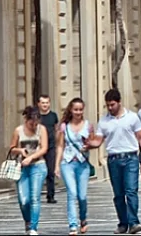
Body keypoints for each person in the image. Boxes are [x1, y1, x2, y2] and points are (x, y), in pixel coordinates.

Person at [87, 88, 141, 234]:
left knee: (131, 191)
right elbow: (98, 140)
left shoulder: (132, 117)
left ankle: (134, 222)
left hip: (130, 158)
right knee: (118, 194)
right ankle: (123, 223)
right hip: (113, 159)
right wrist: (89, 144)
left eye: (112, 105)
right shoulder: (104, 120)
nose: (110, 108)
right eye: (108, 106)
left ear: (119, 102)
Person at [55, 98, 94, 235]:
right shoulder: (64, 127)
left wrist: (88, 145)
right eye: (75, 109)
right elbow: (60, 146)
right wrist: (57, 166)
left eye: (80, 109)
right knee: (72, 193)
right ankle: (73, 224)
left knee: (82, 196)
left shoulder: (88, 125)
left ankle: (83, 219)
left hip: (83, 163)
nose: (78, 112)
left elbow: (93, 142)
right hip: (67, 162)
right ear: (71, 110)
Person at [10, 106, 48, 236]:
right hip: (22, 167)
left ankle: (33, 227)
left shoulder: (41, 130)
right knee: (23, 200)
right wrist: (20, 150)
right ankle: (28, 221)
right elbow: (12, 148)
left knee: (34, 198)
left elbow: (44, 148)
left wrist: (31, 157)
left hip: (38, 166)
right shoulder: (18, 130)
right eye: (32, 123)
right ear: (26, 119)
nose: (34, 125)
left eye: (36, 122)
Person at [36, 95, 59, 204]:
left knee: (50, 171)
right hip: (38, 147)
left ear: (49, 103)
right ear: (39, 104)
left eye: (46, 103)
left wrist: (58, 144)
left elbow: (56, 129)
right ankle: (36, 194)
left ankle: (50, 195)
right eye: (43, 103)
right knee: (38, 171)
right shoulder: (36, 116)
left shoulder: (53, 116)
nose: (45, 105)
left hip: (51, 147)